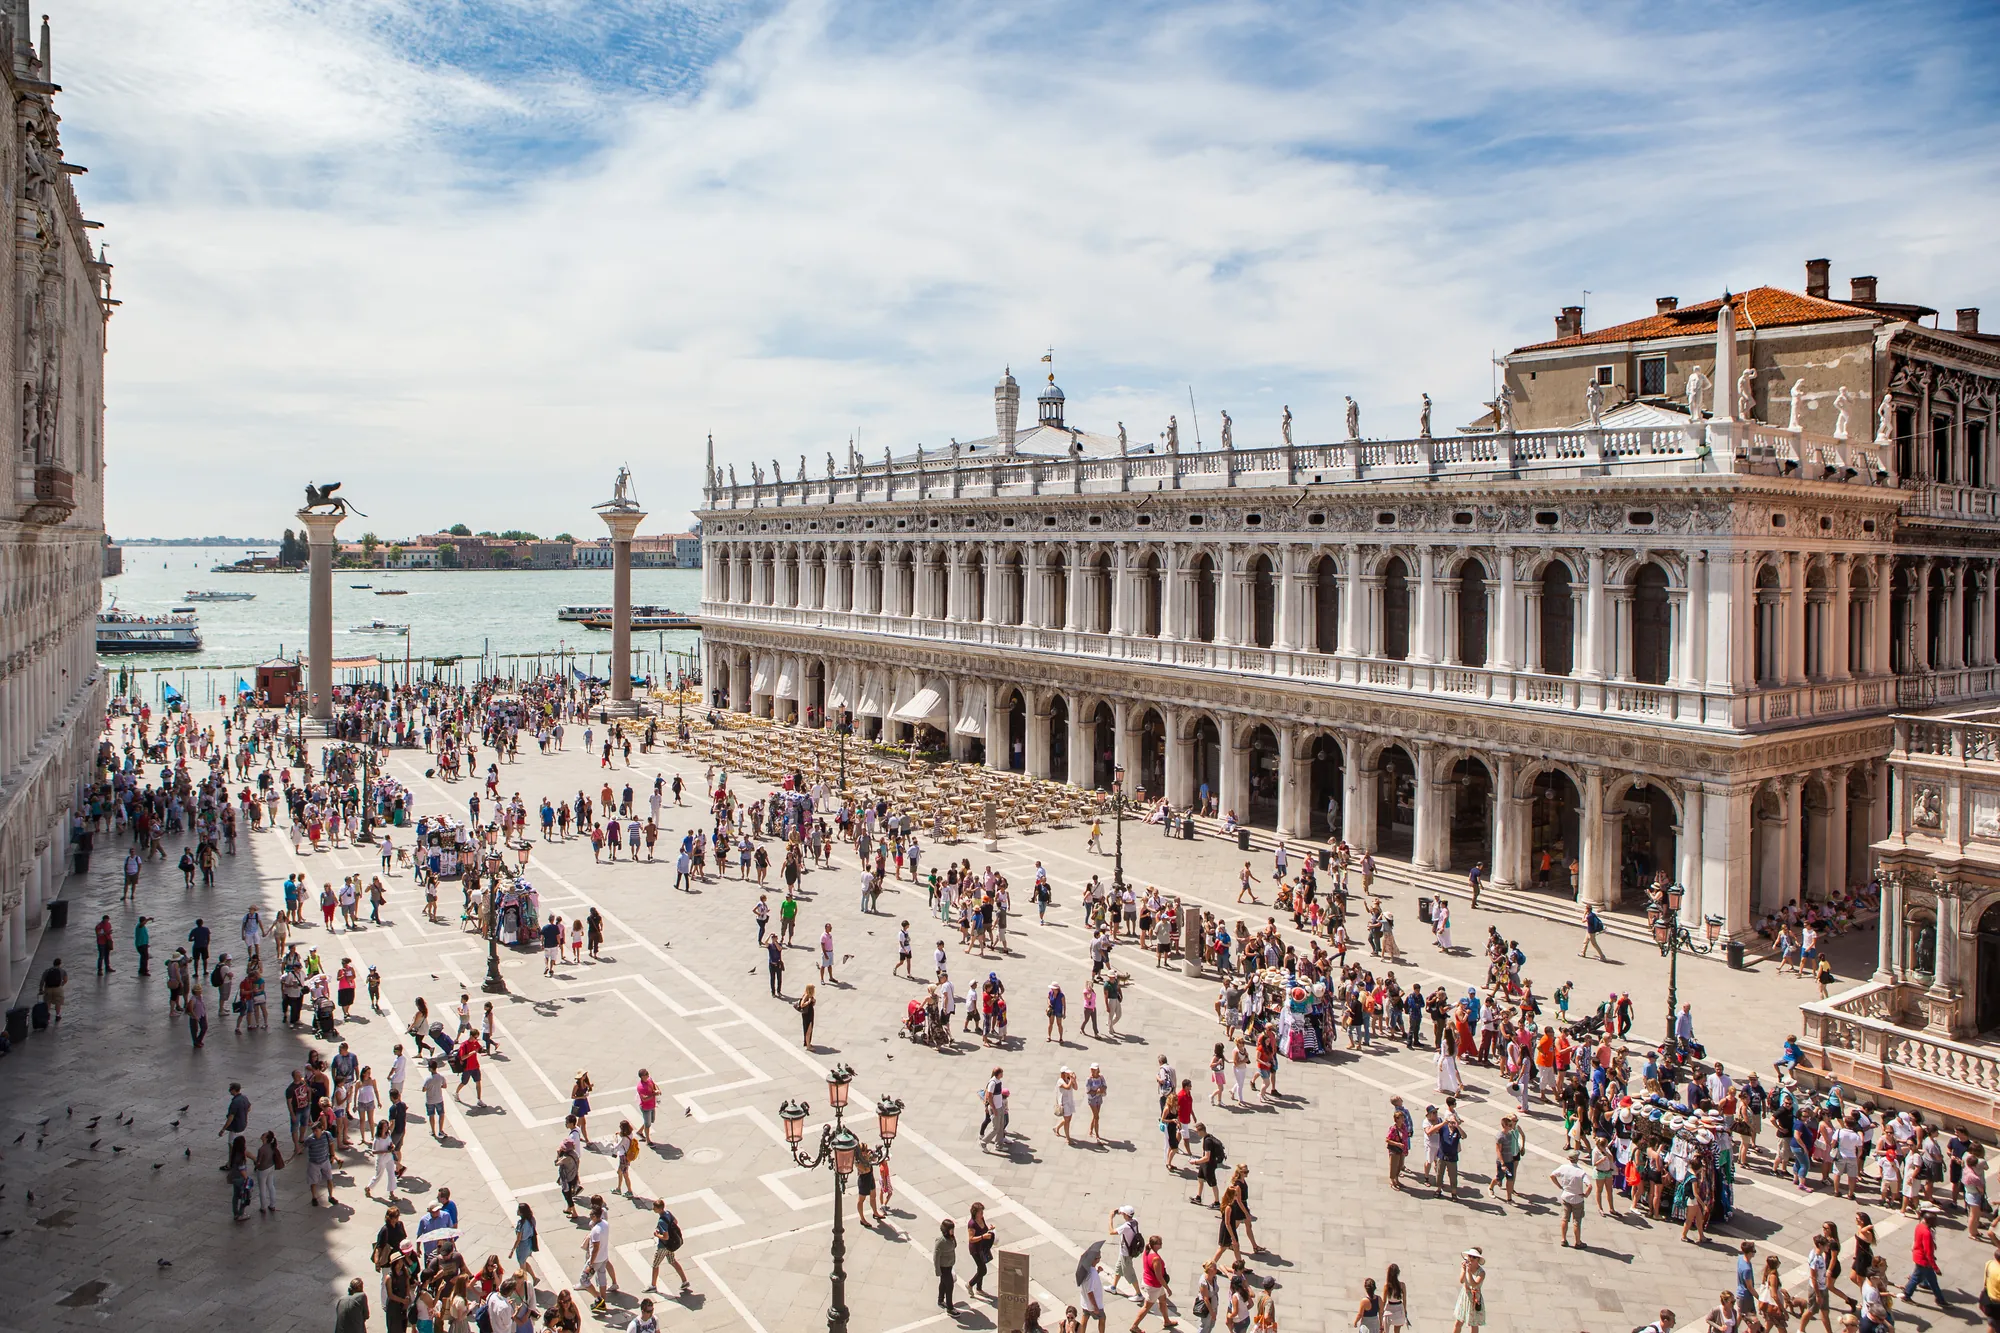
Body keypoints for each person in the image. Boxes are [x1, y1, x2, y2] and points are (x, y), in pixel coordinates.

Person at [648, 1198, 693, 1294]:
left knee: (655, 1265)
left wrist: (657, 1235)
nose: (653, 1209)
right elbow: (676, 1222)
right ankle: (684, 1281)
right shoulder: (668, 1213)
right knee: (672, 1261)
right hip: (670, 1246)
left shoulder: (661, 1221)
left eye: (655, 1208)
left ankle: (653, 1286)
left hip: (664, 1246)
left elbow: (666, 1237)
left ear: (659, 1209)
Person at [1552, 1150, 1591, 1247]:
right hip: (1577, 1198)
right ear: (1577, 1159)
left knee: (1564, 1219)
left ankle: (1563, 1239)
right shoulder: (1580, 1172)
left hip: (1566, 1196)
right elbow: (1589, 1186)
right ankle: (1578, 1242)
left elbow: (1552, 1175)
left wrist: (1559, 1186)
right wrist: (1585, 1194)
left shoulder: (1564, 1168)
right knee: (1577, 1221)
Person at [1450, 1249, 1485, 1333]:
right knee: (1458, 1322)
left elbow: (1474, 1284)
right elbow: (1461, 1280)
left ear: (1478, 1260)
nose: (1471, 1258)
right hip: (1465, 1296)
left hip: (1474, 1298)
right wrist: (1464, 1270)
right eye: (1470, 1256)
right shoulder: (1466, 1266)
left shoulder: (1481, 1272)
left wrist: (1469, 1273)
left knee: (1474, 1325)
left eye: (1474, 1257)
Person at [935, 1218, 957, 1311]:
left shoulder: (951, 1238)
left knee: (943, 1283)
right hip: (943, 1267)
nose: (952, 1231)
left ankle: (940, 1300)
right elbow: (936, 1257)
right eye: (951, 1229)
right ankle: (950, 1307)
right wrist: (938, 1271)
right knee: (949, 1285)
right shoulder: (940, 1241)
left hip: (949, 1265)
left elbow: (955, 1245)